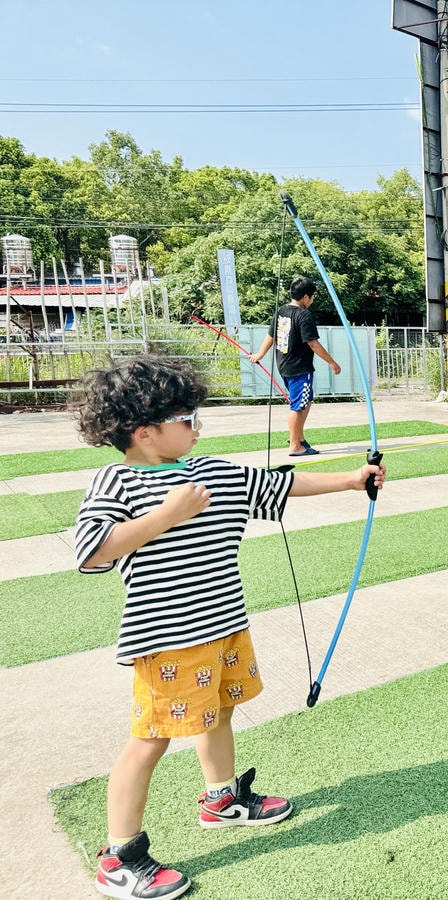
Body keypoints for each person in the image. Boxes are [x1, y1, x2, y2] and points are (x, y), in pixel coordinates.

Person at [71, 355, 385, 900]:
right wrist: (166, 515)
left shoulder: (211, 471)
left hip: (224, 627)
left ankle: (222, 799)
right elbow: (92, 551)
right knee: (149, 740)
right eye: (186, 418)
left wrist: (353, 480)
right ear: (146, 433)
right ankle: (119, 857)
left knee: (221, 711)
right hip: (167, 640)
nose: (197, 425)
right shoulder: (115, 480)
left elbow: (280, 485)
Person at [249, 275, 342, 457]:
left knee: (306, 401)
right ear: (306, 297)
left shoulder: (281, 311)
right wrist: (332, 362)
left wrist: (260, 354)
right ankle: (294, 445)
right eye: (312, 296)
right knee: (298, 405)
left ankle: (298, 438)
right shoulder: (304, 315)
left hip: (284, 365)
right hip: (300, 367)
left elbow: (270, 335)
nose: (312, 300)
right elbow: (313, 343)